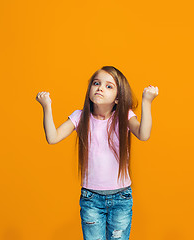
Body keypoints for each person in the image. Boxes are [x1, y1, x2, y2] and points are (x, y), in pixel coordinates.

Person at [36, 66, 159, 240]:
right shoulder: (79, 117)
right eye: (96, 83)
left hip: (121, 198)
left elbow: (144, 134)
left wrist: (147, 102)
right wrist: (46, 107)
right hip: (91, 199)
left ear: (118, 98)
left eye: (109, 86)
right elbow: (52, 137)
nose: (100, 87)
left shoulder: (124, 116)